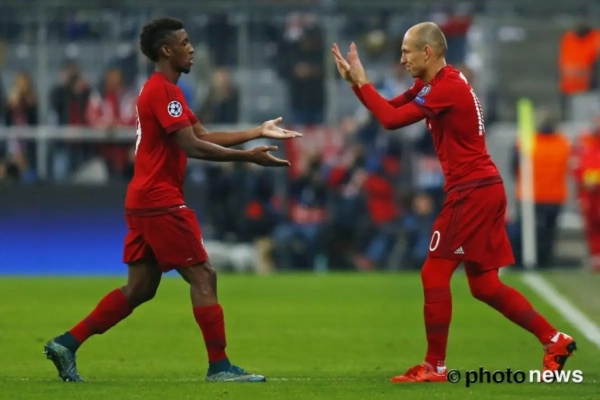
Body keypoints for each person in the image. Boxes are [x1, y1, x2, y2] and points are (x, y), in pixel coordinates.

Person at [43, 17, 302, 383]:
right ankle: (220, 367)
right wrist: (248, 157)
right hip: (159, 199)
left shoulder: (166, 91)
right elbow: (192, 146)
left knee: (140, 288)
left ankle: (66, 344)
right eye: (184, 42)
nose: (191, 48)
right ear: (166, 50)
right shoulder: (162, 91)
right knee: (204, 275)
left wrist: (256, 131)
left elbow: (201, 134)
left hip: (144, 198)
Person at [332, 22, 576, 383]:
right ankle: (554, 340)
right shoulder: (437, 83)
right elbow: (388, 108)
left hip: (471, 191)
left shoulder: (446, 88)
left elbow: (391, 120)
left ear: (427, 52)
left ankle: (435, 366)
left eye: (406, 52)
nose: (402, 59)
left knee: (433, 272)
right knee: (485, 286)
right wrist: (357, 84)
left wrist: (362, 82)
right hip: (484, 187)